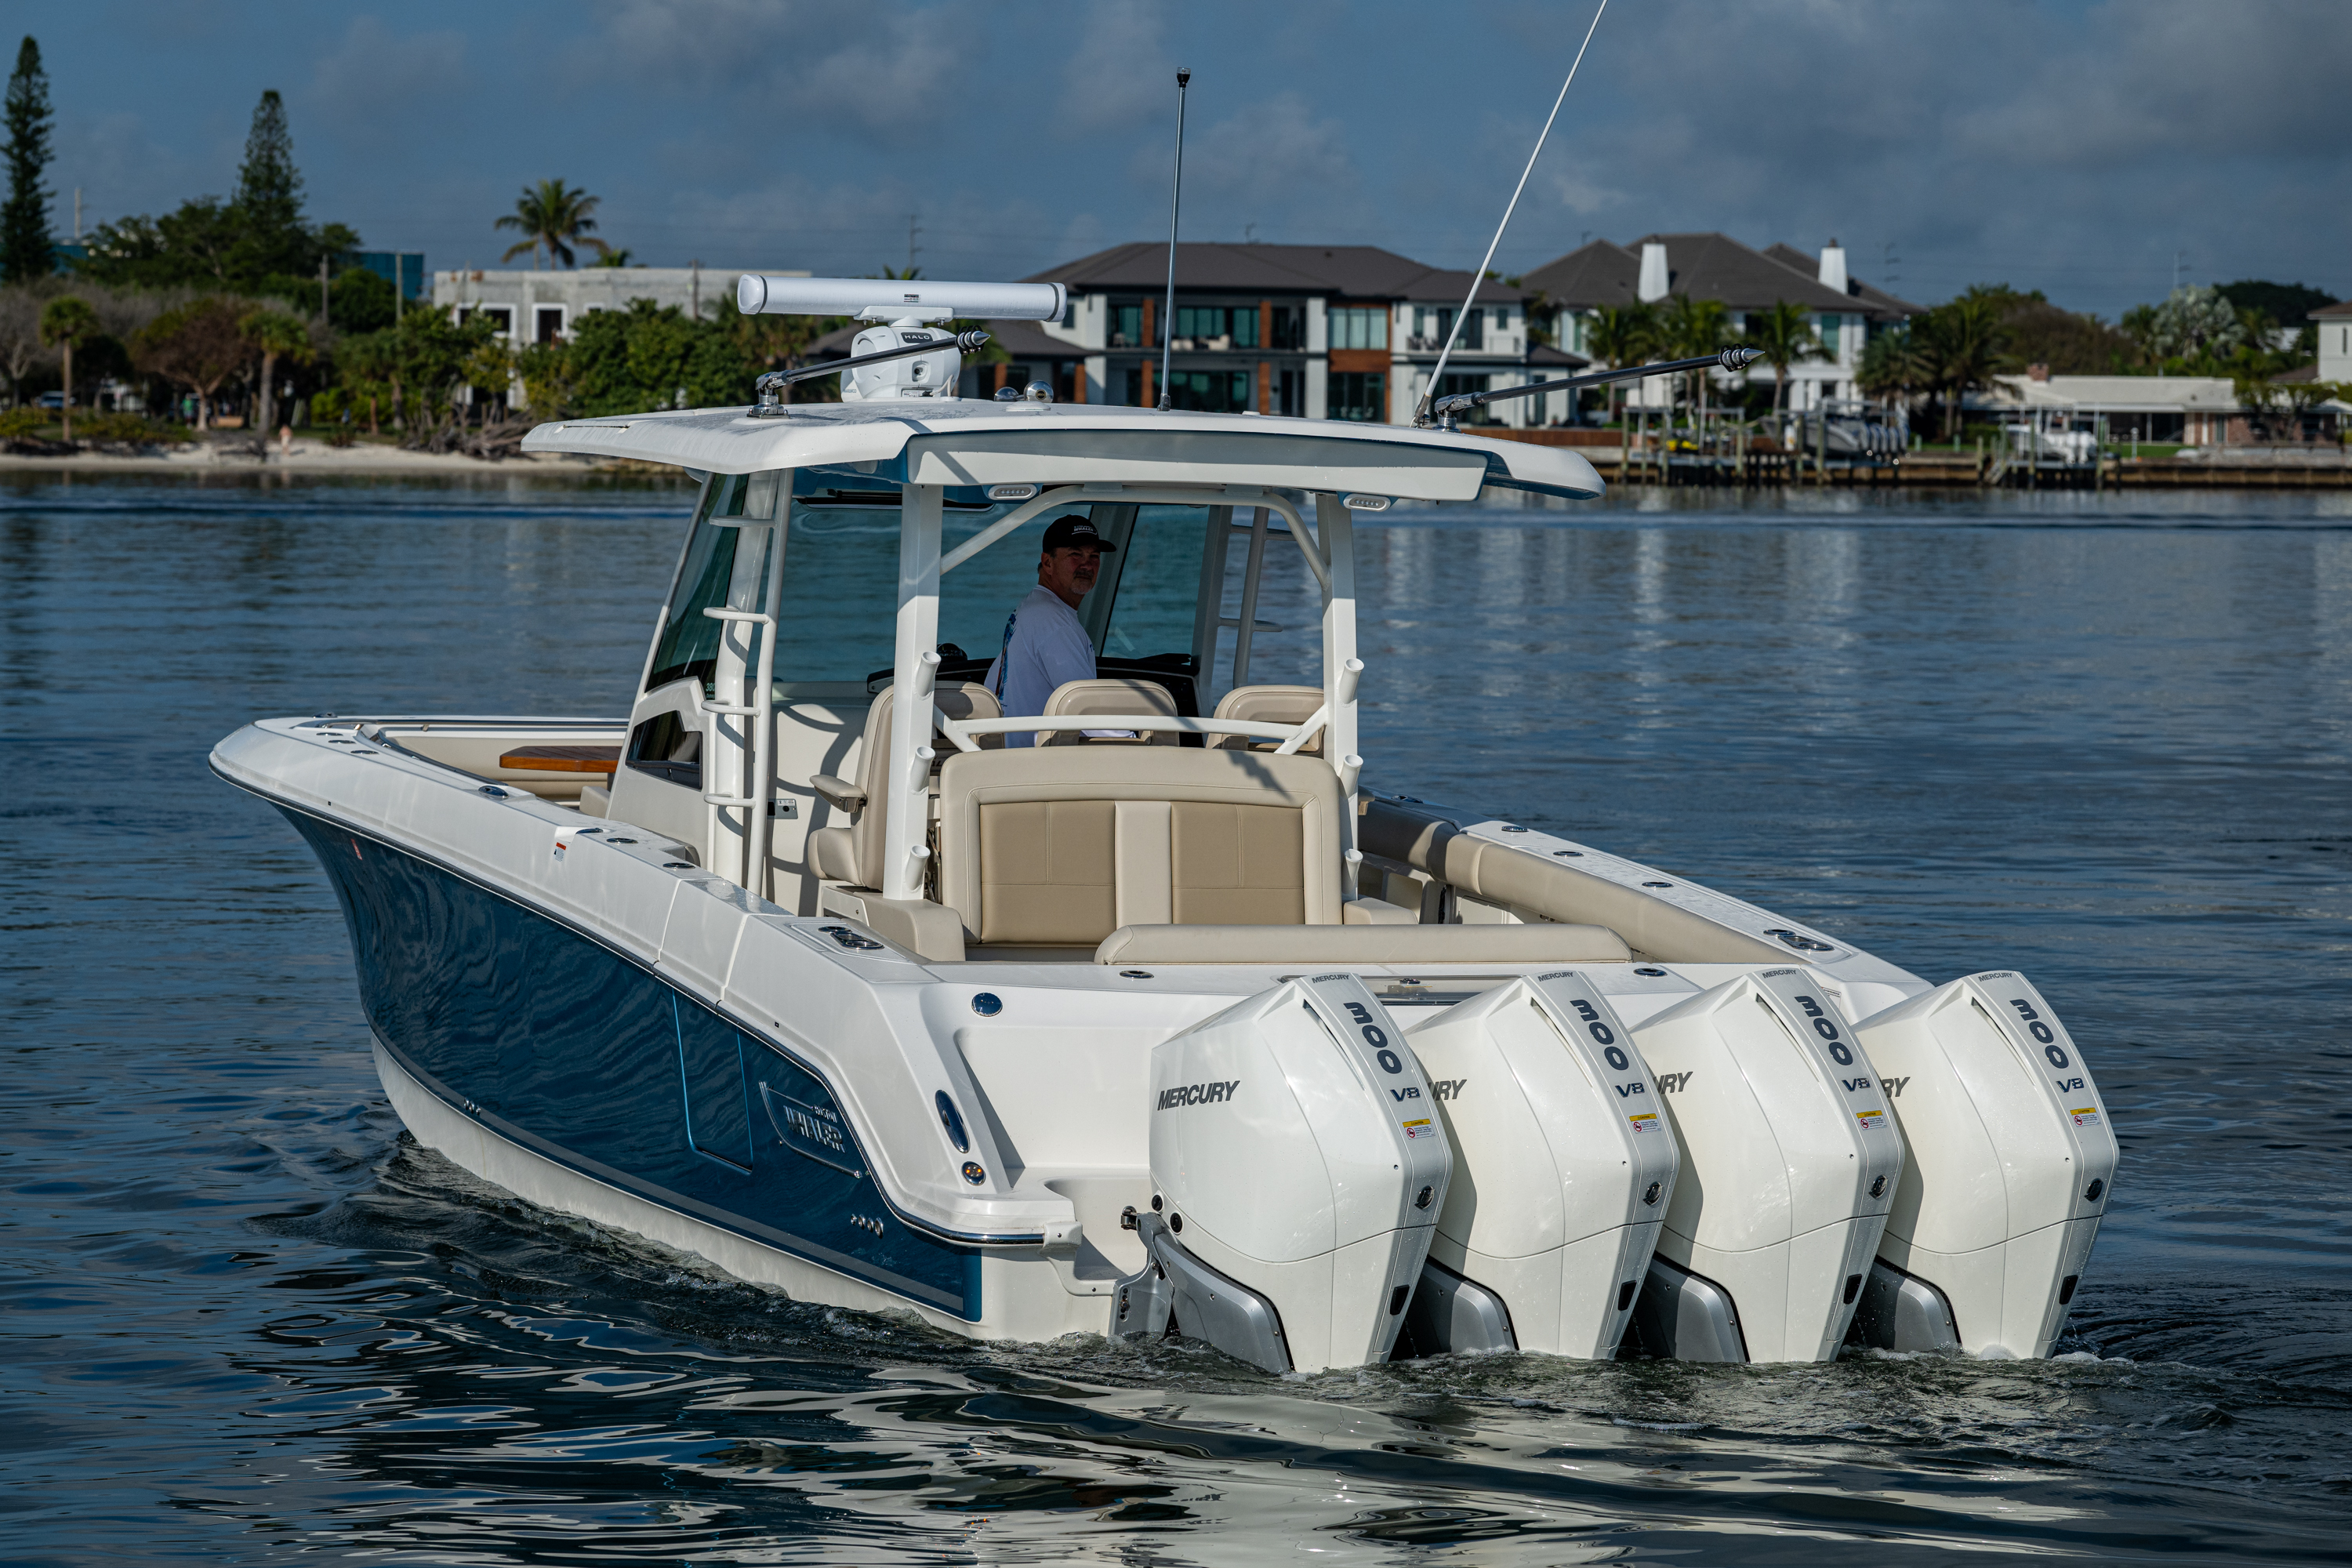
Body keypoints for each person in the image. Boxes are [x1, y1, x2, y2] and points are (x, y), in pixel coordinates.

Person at [984, 514, 1119, 747]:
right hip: (1032, 761)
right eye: (1075, 554)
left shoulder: (1033, 608)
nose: (1087, 565)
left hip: (1015, 754)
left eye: (1094, 556)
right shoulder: (1053, 623)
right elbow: (1086, 709)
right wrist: (1139, 743)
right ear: (1047, 563)